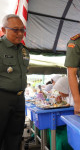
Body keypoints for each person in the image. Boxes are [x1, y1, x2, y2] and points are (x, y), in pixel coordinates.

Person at [0, 14, 30, 149]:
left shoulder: (24, 51)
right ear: (3, 29)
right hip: (2, 98)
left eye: (22, 30)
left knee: (15, 136)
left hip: (19, 99)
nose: (20, 33)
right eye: (15, 30)